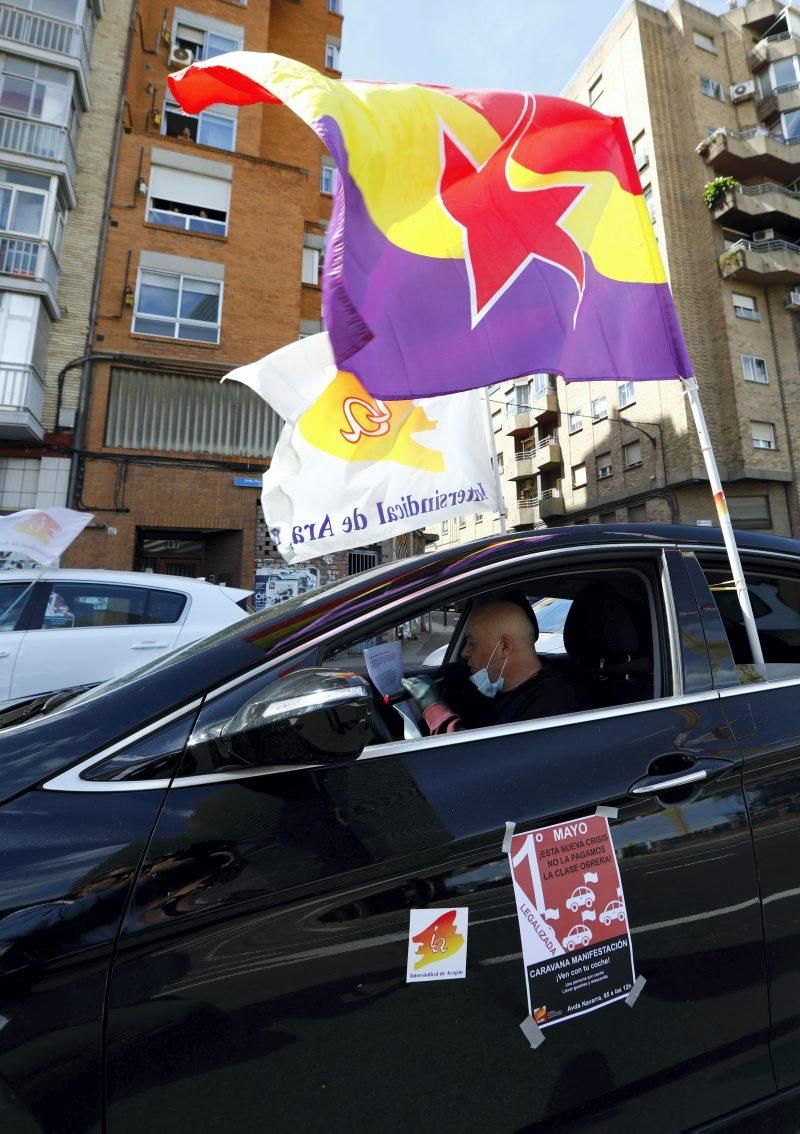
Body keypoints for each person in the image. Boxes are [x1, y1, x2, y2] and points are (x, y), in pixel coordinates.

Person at [401, 598, 579, 734]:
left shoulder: (553, 701)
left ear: (504, 646)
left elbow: (488, 762)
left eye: (472, 643)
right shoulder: (497, 691)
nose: (464, 653)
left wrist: (435, 710)